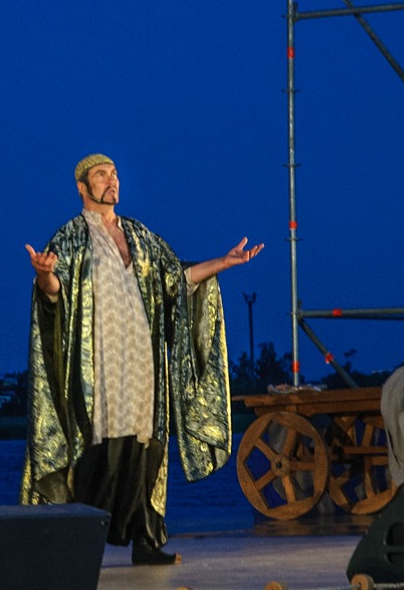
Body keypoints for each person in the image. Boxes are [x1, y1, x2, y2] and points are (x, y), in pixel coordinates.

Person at [21, 153, 263, 565]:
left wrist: (222, 263)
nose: (111, 180)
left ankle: (147, 541)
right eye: (101, 175)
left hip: (142, 362)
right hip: (98, 366)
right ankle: (79, 545)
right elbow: (55, 293)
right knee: (99, 451)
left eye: (114, 174)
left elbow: (176, 279)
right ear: (82, 186)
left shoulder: (140, 236)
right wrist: (44, 276)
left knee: (146, 448)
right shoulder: (70, 238)